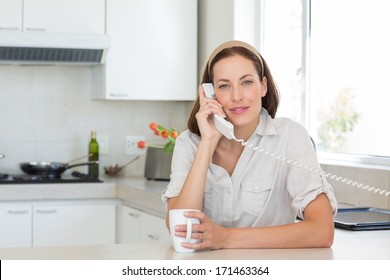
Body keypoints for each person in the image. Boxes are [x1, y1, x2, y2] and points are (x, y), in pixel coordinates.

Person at [162, 40, 337, 250]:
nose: (237, 96)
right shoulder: (189, 143)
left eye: (246, 82)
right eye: (224, 86)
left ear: (263, 86)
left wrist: (226, 238)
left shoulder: (290, 137)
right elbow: (181, 233)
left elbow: (322, 231)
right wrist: (207, 143)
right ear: (210, 93)